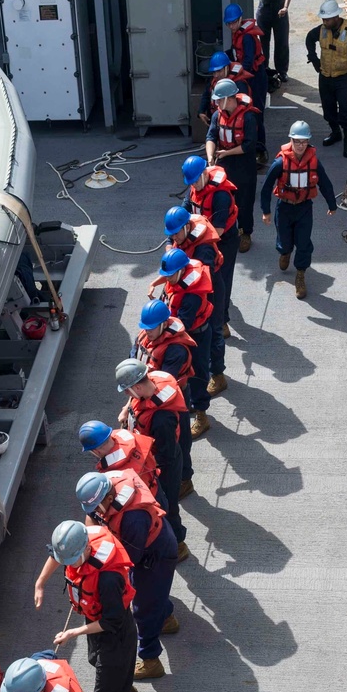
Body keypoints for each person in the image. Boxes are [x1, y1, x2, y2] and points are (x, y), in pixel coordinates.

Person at [34, 520, 139, 692]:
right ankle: (127, 690)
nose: (68, 564)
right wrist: (40, 583)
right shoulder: (78, 539)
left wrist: (74, 632)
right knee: (98, 663)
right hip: (97, 623)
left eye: (72, 560)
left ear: (85, 550)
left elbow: (112, 621)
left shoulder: (107, 579)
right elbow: (57, 556)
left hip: (115, 633)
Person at [77, 469, 178, 682]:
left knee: (143, 606)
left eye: (96, 507)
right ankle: (166, 618)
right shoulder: (105, 489)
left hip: (155, 556)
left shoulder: (133, 518)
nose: (94, 512)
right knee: (155, 596)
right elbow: (92, 516)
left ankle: (151, 660)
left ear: (110, 498)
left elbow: (129, 560)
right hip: (147, 548)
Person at [116, 358, 189, 560]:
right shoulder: (153, 379)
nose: (126, 395)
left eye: (127, 391)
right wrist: (126, 409)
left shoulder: (162, 419)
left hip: (165, 465)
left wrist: (142, 466)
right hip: (156, 456)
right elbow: (135, 399)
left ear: (137, 386)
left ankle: (179, 545)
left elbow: (165, 455)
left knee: (167, 506)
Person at [260, 119, 337, 300]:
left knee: (304, 243)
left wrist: (332, 205)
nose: (300, 145)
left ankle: (300, 274)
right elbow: (266, 188)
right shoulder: (280, 163)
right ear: (291, 141)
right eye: (297, 141)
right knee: (285, 241)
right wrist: (266, 211)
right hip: (284, 208)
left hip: (304, 208)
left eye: (304, 141)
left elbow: (325, 184)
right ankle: (285, 252)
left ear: (308, 141)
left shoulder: (314, 163)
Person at [162, 205, 226, 409]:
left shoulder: (203, 249)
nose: (174, 239)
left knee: (215, 332)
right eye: (171, 235)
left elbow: (201, 276)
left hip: (208, 290)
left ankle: (218, 374)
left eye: (176, 234)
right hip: (189, 289)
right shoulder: (178, 236)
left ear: (187, 227)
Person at [149, 245, 214, 439]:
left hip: (196, 336)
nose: (166, 279)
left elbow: (181, 324)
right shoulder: (175, 280)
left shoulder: (191, 297)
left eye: (169, 275)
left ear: (181, 271)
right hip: (183, 334)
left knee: (198, 374)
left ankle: (202, 414)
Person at [183, 154, 239, 359]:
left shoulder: (220, 196)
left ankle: (222, 320)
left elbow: (219, 230)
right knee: (206, 280)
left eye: (197, 180)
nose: (195, 186)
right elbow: (186, 208)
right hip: (203, 239)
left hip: (224, 239)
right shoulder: (194, 187)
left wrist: (196, 240)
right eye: (191, 182)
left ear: (205, 174)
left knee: (221, 278)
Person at [135, 299, 195, 488]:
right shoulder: (144, 336)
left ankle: (185, 479)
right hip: (145, 392)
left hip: (174, 397)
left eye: (152, 327)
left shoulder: (175, 350)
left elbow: (166, 381)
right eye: (146, 327)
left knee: (181, 439)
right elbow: (134, 359)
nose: (148, 331)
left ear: (164, 324)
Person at [304, 0, 347, 158]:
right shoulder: (322, 30)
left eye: (327, 19)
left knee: (345, 110)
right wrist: (314, 59)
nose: (324, 22)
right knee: (328, 109)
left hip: (343, 79)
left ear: (336, 17)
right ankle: (335, 132)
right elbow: (309, 38)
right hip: (325, 77)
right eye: (323, 19)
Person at [206, 78, 259, 252]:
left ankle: (245, 233)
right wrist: (210, 157)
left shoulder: (249, 117)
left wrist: (226, 153)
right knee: (223, 199)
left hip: (244, 163)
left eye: (220, 100)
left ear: (230, 98)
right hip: (224, 161)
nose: (218, 103)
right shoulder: (217, 115)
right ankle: (226, 231)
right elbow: (211, 137)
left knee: (244, 201)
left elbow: (249, 145)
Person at [224, 2, 268, 161]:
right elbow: (235, 53)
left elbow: (248, 61)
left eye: (234, 22)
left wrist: (233, 75)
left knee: (256, 112)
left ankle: (260, 149)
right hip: (247, 76)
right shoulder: (237, 33)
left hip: (256, 77)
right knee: (245, 111)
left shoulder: (247, 37)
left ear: (240, 19)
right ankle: (247, 145)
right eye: (229, 23)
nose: (231, 26)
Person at [79, 419, 161, 498]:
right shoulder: (130, 437)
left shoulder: (111, 473)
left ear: (96, 451)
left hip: (147, 500)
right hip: (156, 486)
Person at [253, 0, 294, 83]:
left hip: (279, 13)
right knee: (263, 43)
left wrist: (285, 7)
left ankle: (282, 71)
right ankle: (264, 70)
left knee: (282, 43)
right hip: (264, 12)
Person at [197, 50, 252, 121]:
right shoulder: (213, 81)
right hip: (215, 119)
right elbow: (206, 95)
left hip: (232, 122)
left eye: (219, 71)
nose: (216, 75)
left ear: (227, 68)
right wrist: (201, 111)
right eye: (214, 72)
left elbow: (243, 106)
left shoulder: (239, 84)